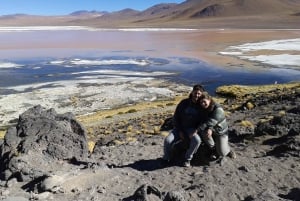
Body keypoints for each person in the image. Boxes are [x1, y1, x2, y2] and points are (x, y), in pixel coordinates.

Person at [162, 84, 205, 167]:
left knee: (197, 140)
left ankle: (187, 159)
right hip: (179, 128)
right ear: (192, 92)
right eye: (195, 93)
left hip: (192, 129)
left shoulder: (202, 105)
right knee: (167, 140)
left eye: (199, 93)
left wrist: (197, 130)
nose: (197, 95)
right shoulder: (184, 103)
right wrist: (180, 131)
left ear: (202, 94)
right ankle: (166, 158)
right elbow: (176, 117)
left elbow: (204, 119)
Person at [198, 92, 236, 164]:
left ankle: (229, 149)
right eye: (201, 102)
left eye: (204, 101)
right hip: (212, 131)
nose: (202, 104)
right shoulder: (204, 108)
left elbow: (211, 121)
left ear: (209, 99)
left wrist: (197, 130)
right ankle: (214, 149)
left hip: (221, 132)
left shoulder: (218, 109)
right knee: (204, 133)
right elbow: (205, 120)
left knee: (222, 153)